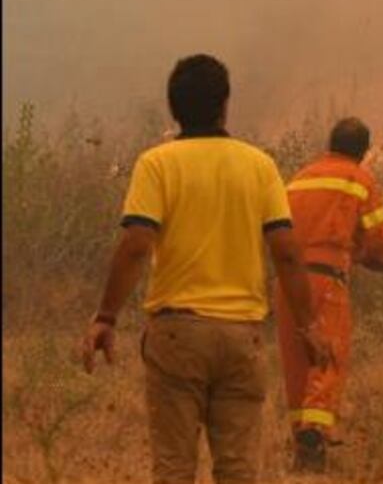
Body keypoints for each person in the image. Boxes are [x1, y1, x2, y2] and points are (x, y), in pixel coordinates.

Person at [80, 54, 332, 484]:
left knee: (174, 470)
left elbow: (136, 245)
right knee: (238, 471)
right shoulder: (259, 166)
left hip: (177, 336)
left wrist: (106, 317)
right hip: (242, 338)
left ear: (173, 108)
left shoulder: (156, 164)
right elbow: (287, 254)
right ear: (224, 105)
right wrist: (309, 326)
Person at [276, 117, 383, 472]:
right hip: (325, 280)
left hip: (286, 282)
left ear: (330, 142)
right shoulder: (359, 179)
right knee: (328, 354)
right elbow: (379, 240)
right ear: (363, 151)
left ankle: (300, 442)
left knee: (296, 361)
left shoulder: (300, 177)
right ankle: (314, 434)